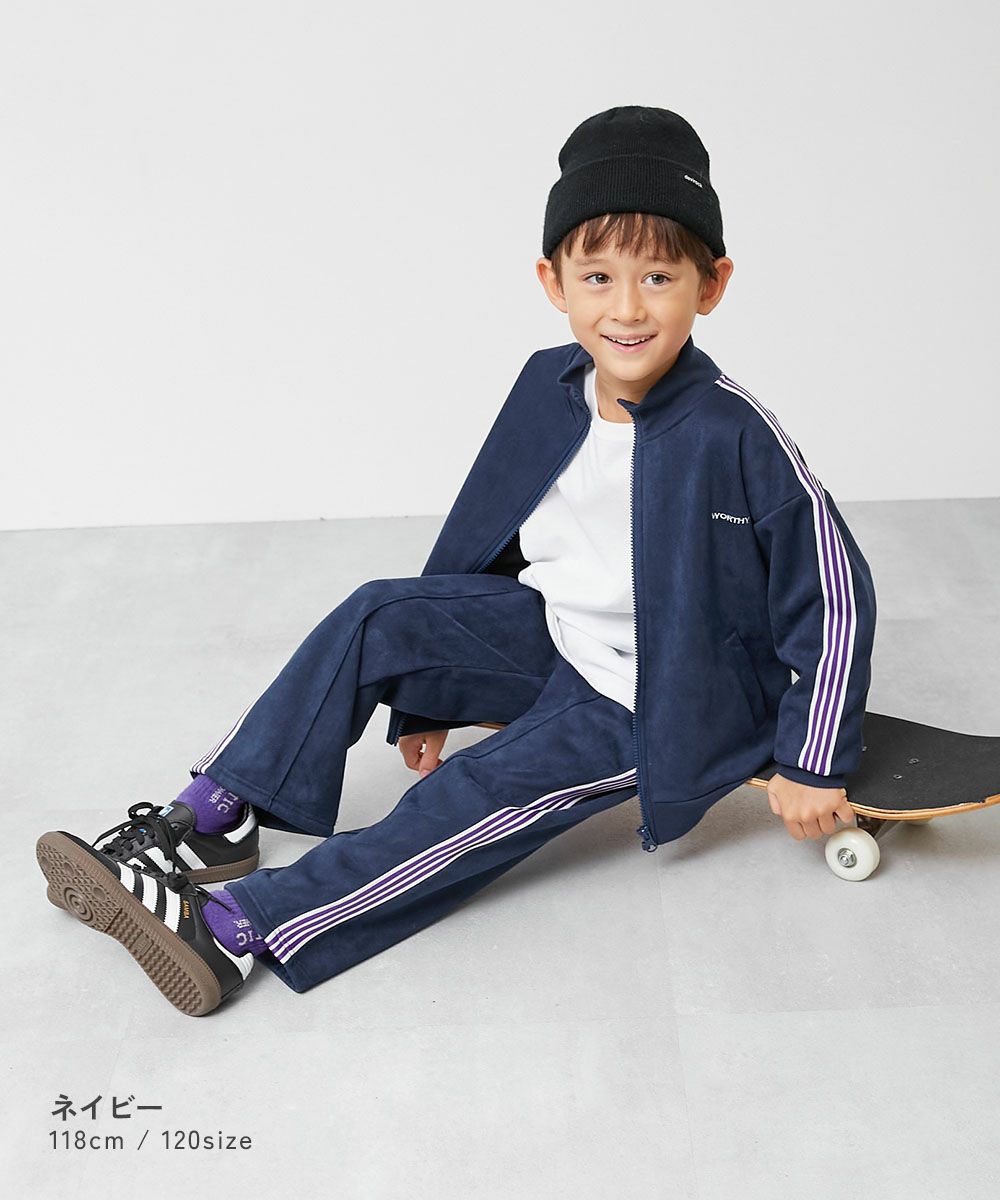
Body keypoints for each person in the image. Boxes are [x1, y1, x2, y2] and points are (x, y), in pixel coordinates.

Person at [36, 105, 877, 1016]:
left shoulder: (734, 436)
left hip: (658, 697)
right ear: (554, 283)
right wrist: (429, 696)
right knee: (380, 613)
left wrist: (813, 759)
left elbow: (835, 596)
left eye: (659, 278)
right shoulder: (548, 385)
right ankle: (219, 816)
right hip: (556, 636)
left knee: (479, 789)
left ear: (711, 286)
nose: (628, 308)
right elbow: (484, 531)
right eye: (598, 276)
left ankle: (247, 926)